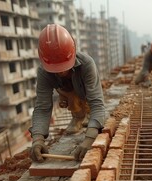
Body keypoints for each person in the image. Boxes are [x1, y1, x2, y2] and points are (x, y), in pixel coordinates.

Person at [29, 24, 105, 162]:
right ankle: (78, 116)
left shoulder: (87, 63)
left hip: (85, 93)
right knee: (70, 97)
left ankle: (86, 115)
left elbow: (97, 103)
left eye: (64, 66)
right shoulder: (43, 72)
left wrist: (90, 138)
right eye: (55, 68)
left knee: (93, 112)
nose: (60, 71)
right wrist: (37, 139)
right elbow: (42, 107)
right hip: (66, 91)